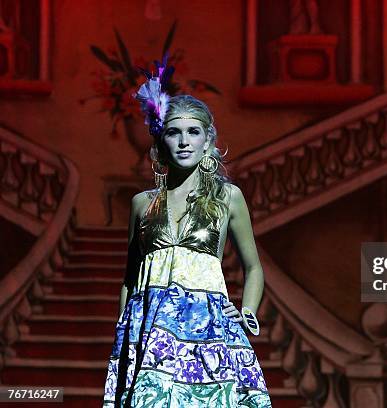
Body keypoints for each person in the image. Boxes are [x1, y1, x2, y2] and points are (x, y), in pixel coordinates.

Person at [102, 54, 272, 407]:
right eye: (173, 132)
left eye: (193, 132)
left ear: (207, 140)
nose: (183, 141)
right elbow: (130, 277)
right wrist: (124, 329)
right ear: (161, 140)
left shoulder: (228, 198)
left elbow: (253, 267)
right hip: (149, 335)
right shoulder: (142, 203)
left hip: (209, 333)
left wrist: (247, 312)